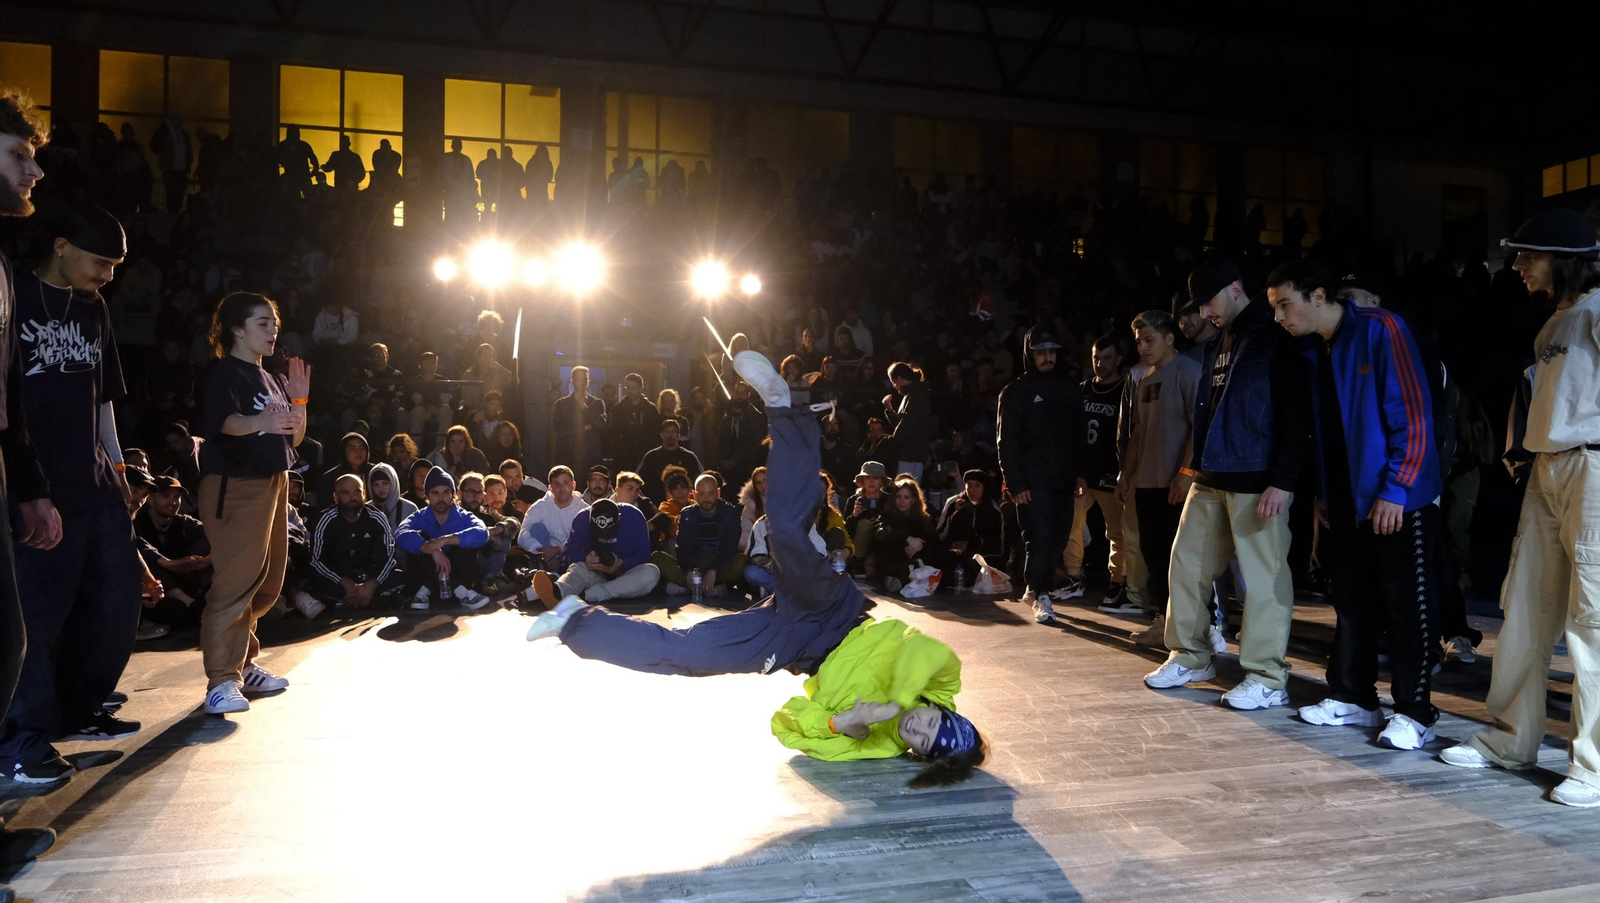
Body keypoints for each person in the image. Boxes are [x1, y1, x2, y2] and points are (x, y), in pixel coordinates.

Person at [525, 340, 985, 788]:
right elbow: (932, 652)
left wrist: (846, 721)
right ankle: (788, 410)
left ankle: (571, 620)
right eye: (930, 724)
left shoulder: (880, 744)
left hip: (793, 643)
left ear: (917, 755)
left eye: (922, 744)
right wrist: (900, 698)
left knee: (687, 655)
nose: (916, 730)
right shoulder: (939, 682)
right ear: (941, 710)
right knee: (784, 530)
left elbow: (789, 726)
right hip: (835, 611)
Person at [1440, 209, 1600, 808]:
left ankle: (1593, 766)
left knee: (1592, 621)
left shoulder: (1599, 308)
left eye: (1527, 255)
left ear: (1562, 257)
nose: (1517, 266)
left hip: (1592, 465)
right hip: (1550, 466)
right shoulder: (1559, 319)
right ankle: (1510, 738)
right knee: (1525, 609)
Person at [1267, 257, 1444, 751]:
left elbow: (1413, 411)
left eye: (1286, 304)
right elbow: (1328, 432)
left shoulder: (1381, 329)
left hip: (1394, 498)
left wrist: (1397, 487)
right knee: (1351, 603)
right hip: (1344, 500)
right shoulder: (1314, 349)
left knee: (1407, 607)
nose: (1280, 317)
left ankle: (1416, 710)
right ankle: (1355, 697)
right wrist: (1325, 494)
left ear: (1319, 296)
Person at [2, 203, 146, 781]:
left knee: (115, 599)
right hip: (38, 484)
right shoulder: (15, 296)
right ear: (61, 245)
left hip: (95, 482)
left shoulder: (95, 308)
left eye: (115, 265)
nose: (107, 275)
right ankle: (23, 741)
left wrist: (117, 464)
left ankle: (80, 709)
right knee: (38, 618)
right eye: (100, 262)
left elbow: (104, 397)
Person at [1144, 258, 1310, 711]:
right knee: (1186, 565)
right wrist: (1196, 465)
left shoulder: (1276, 334)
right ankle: (1192, 655)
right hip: (1212, 474)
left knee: (1263, 580)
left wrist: (1284, 479)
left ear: (1236, 288)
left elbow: (1296, 412)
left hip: (1258, 479)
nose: (1204, 312)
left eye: (1209, 301)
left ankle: (1267, 677)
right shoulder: (1220, 339)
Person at [0, 89, 64, 884]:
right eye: (18, 155)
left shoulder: (5, 270)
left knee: (6, 640)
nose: (34, 168)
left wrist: (28, 484)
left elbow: (6, 394)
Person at [194, 292, 311, 716]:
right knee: (234, 585)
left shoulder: (272, 377)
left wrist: (298, 400)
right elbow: (225, 423)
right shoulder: (226, 372)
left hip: (274, 482)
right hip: (236, 485)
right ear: (237, 329)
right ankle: (221, 681)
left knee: (266, 582)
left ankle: (243, 663)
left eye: (274, 323)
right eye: (263, 323)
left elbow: (292, 438)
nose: (272, 330)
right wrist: (260, 421)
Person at [1118, 311, 1202, 645]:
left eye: (1149, 339)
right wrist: (1126, 473)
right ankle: (1164, 622)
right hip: (1147, 483)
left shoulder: (1189, 372)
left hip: (1177, 484)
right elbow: (1138, 431)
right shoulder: (1146, 379)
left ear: (1169, 338)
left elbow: (1200, 426)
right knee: (1154, 557)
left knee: (1183, 560)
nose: (1142, 346)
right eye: (1139, 341)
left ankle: (1198, 629)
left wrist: (1186, 472)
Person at [997, 326, 1084, 623]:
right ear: (1029, 354)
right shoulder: (1015, 392)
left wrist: (1080, 475)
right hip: (1033, 481)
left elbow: (1079, 434)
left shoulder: (1069, 387)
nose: (1047, 357)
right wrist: (1016, 483)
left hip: (1063, 479)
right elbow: (1006, 441)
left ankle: (1036, 589)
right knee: (1039, 537)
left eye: (1052, 351)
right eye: (1041, 352)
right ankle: (1039, 592)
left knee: (1058, 539)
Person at [1064, 334, 1130, 603]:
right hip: (1083, 472)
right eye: (1096, 358)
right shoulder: (1082, 389)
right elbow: (1072, 434)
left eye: (1106, 358)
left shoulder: (1126, 388)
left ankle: (1119, 582)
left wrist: (1124, 472)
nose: (1100, 364)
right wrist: (1076, 470)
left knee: (1116, 531)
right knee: (1071, 523)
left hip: (1111, 472)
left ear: (1118, 359)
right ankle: (1073, 577)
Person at [527, 497, 658, 605]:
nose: (604, 537)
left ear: (619, 519)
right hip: (595, 572)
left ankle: (587, 594)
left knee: (652, 571)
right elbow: (567, 555)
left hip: (626, 574)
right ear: (590, 520)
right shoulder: (581, 518)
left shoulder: (634, 516)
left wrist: (621, 563)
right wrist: (586, 560)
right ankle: (558, 591)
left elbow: (644, 555)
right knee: (578, 568)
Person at [394, 466, 491, 610]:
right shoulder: (419, 516)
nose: (441, 498)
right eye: (435, 493)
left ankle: (442, 589)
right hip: (428, 587)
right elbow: (400, 534)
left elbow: (482, 533)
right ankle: (458, 591)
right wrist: (433, 550)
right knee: (420, 536)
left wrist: (446, 540)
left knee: (463, 540)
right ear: (427, 495)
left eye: (446, 493)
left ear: (453, 494)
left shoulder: (463, 516)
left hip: (459, 578)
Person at [305, 474, 404, 611]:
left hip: (369, 575)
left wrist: (372, 584)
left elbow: (389, 558)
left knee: (397, 576)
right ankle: (371, 600)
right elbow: (316, 560)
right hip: (339, 577)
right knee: (316, 581)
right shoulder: (325, 520)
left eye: (357, 492)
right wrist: (343, 581)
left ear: (364, 494)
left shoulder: (377, 518)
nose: (353, 497)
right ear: (336, 497)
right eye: (346, 493)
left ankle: (354, 600)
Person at [133, 475, 211, 626]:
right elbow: (139, 548)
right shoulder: (138, 525)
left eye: (177, 497)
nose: (173, 502)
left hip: (185, 580)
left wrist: (205, 560)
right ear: (150, 499)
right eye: (165, 496)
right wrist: (168, 563)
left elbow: (210, 533)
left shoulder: (184, 522)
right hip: (154, 590)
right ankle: (190, 605)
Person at [652, 472, 744, 596]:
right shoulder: (687, 514)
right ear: (694, 495)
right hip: (694, 566)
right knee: (657, 557)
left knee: (741, 561)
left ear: (718, 493)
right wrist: (689, 571)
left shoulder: (730, 513)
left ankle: (690, 588)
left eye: (711, 494)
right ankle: (709, 589)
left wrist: (714, 569)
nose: (706, 499)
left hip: (719, 566)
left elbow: (730, 546)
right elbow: (682, 548)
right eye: (701, 494)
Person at [868, 477, 939, 594]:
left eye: (906, 497)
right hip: (891, 556)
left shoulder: (922, 519)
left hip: (915, 558)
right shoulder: (887, 516)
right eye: (898, 497)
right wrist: (906, 540)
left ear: (913, 499)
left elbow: (930, 540)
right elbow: (882, 533)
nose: (902, 501)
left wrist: (916, 549)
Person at [455, 471, 519, 595]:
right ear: (461, 493)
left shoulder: (487, 512)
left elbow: (514, 523)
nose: (475, 496)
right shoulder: (454, 512)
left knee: (504, 535)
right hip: (464, 562)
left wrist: (497, 529)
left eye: (479, 492)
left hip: (486, 561)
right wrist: (486, 535)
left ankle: (492, 578)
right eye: (471, 492)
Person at [516, 465, 589, 574]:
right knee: (536, 528)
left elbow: (586, 540)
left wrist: (558, 549)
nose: (562, 488)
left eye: (566, 483)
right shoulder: (540, 506)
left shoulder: (584, 509)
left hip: (575, 559)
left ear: (573, 485)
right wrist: (545, 551)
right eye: (557, 484)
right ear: (550, 488)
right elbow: (523, 536)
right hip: (545, 558)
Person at [936, 470, 1004, 582]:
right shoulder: (953, 502)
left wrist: (972, 545)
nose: (972, 490)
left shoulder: (993, 510)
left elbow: (998, 546)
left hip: (981, 556)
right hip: (954, 552)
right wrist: (953, 512)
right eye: (969, 485)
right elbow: (940, 533)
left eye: (977, 485)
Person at [552, 365, 606, 478]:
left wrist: (584, 407)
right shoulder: (562, 404)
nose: (582, 382)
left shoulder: (597, 403)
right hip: (569, 456)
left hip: (591, 457)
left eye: (585, 379)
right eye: (578, 379)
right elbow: (559, 429)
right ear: (572, 381)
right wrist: (584, 428)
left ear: (588, 381)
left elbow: (601, 424)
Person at [882, 362, 930, 481]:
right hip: (910, 451)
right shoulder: (910, 395)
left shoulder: (917, 395)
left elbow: (906, 426)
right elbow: (902, 424)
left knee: (907, 486)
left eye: (893, 382)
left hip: (912, 453)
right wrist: (890, 410)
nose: (894, 386)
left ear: (899, 378)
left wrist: (891, 443)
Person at [638, 417, 701, 502]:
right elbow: (638, 481)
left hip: (685, 507)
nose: (670, 435)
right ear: (661, 434)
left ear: (679, 435)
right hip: (656, 506)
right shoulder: (651, 456)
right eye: (667, 431)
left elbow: (699, 481)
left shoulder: (689, 457)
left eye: (674, 432)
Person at [608, 372, 659, 476]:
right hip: (624, 457)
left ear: (641, 388)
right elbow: (613, 434)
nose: (631, 391)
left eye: (634, 387)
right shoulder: (618, 409)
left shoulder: (650, 409)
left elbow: (655, 434)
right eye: (628, 387)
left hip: (645, 455)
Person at [843, 461, 889, 567]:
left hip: (878, 548)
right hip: (856, 548)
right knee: (864, 524)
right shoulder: (853, 500)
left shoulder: (888, 500)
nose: (871, 481)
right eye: (868, 477)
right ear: (863, 481)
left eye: (876, 478)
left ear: (881, 481)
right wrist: (854, 515)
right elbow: (845, 531)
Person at [316, 431, 372, 506]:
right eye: (352, 448)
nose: (358, 452)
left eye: (362, 448)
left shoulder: (374, 472)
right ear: (344, 452)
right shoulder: (330, 477)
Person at [738, 466, 767, 549]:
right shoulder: (750, 507)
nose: (762, 485)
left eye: (764, 480)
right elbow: (744, 536)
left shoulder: (785, 500)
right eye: (758, 483)